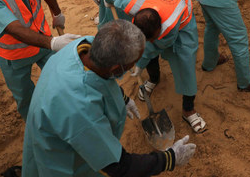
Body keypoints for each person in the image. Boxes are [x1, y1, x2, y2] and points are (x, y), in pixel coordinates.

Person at [22, 20, 196, 176]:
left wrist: (123, 97)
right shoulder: (80, 109)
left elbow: (99, 79)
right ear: (115, 69)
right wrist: (169, 159)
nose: (133, 66)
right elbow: (119, 166)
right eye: (131, 64)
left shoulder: (83, 47)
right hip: (63, 161)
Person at [105, 0, 206, 133]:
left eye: (154, 37)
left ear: (160, 29)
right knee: (147, 48)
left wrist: (139, 63)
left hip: (182, 18)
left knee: (185, 61)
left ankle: (188, 109)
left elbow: (154, 47)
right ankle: (154, 78)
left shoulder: (169, 27)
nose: (151, 41)